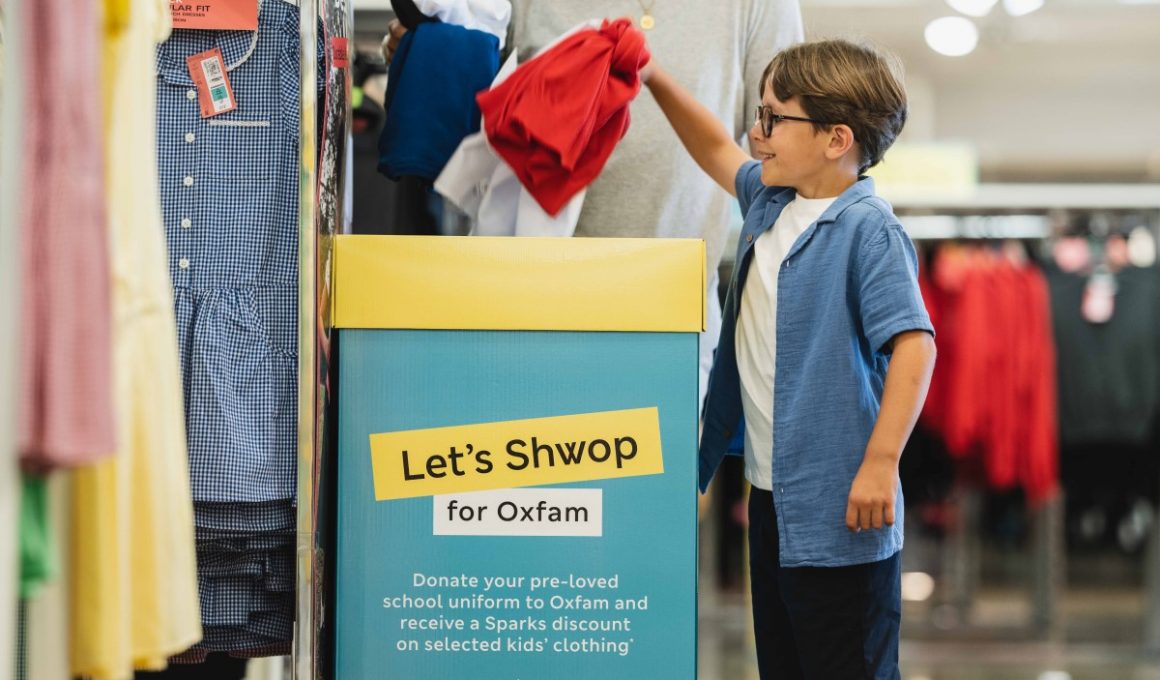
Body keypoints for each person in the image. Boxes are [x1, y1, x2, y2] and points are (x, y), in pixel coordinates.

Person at [643, 39, 937, 678]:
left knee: (845, 662)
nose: (757, 130)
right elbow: (715, 148)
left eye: (774, 118)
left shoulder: (869, 230)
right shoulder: (770, 202)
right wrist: (653, 74)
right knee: (782, 659)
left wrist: (881, 463)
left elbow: (915, 345)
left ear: (837, 139)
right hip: (773, 497)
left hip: (844, 508)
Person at [383, 0, 805, 415]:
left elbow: (786, 152)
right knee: (526, 474)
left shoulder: (758, 6)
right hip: (524, 301)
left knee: (649, 476)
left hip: (672, 308)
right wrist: (423, 48)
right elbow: (470, 67)